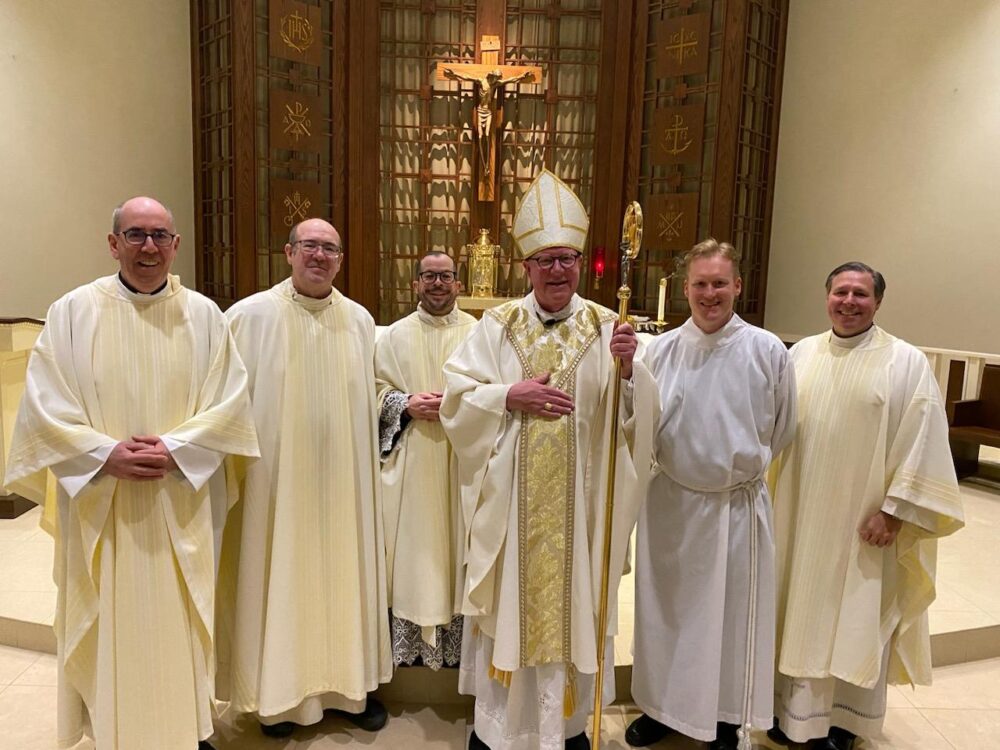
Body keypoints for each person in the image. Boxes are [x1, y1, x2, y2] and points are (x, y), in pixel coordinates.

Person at [3, 196, 259, 750]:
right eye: (136, 235)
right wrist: (102, 454)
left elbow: (231, 404)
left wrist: (176, 447)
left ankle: (184, 730)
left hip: (179, 500)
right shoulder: (73, 311)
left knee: (181, 613)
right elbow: (44, 405)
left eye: (160, 235)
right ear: (113, 243)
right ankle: (119, 731)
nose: (149, 247)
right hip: (103, 502)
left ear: (176, 245)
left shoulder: (206, 317)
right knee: (110, 616)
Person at [441, 169, 658, 750]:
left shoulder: (608, 327)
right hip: (512, 513)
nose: (556, 270)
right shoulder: (496, 326)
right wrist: (508, 396)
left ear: (581, 263)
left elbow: (638, 422)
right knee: (511, 609)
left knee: (575, 605)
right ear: (526, 267)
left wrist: (631, 371)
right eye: (545, 261)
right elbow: (457, 398)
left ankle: (564, 726)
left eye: (566, 259)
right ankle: (501, 728)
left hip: (580, 515)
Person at [768, 262, 964, 750]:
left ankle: (842, 724)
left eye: (860, 294)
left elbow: (924, 441)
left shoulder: (905, 362)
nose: (849, 302)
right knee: (794, 608)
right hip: (799, 512)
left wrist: (895, 511)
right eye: (840, 292)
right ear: (826, 297)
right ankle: (792, 717)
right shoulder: (802, 354)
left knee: (852, 619)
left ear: (878, 302)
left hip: (863, 524)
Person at [220, 218, 392, 738]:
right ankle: (278, 699)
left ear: (341, 260)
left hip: (345, 485)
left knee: (346, 569)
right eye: (310, 247)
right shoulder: (249, 317)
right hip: (277, 486)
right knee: (280, 571)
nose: (320, 256)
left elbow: (378, 393)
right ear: (289, 251)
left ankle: (351, 691)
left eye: (330, 249)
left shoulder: (361, 321)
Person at [626, 239, 797, 750]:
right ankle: (661, 708)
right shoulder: (660, 350)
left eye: (719, 283)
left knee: (728, 620)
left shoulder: (767, 350)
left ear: (737, 285)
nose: (710, 294)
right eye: (700, 284)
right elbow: (637, 423)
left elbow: (784, 426)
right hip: (673, 505)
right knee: (667, 614)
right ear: (685, 289)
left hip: (736, 506)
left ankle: (725, 720)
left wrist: (737, 469)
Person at [376, 251, 476, 669]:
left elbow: (498, 391)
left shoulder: (479, 333)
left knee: (459, 549)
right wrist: (405, 402)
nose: (438, 284)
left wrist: (460, 405)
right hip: (412, 460)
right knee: (414, 555)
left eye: (446, 276)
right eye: (429, 276)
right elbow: (373, 390)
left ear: (458, 283)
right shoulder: (393, 336)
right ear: (416, 283)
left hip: (462, 462)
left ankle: (457, 646)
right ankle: (411, 643)